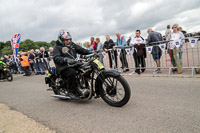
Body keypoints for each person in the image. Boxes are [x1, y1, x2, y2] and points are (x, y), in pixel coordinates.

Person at [53, 30, 92, 99]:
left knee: (86, 68)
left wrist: (91, 52)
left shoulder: (72, 44)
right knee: (71, 72)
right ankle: (71, 92)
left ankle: (87, 88)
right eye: (66, 40)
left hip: (73, 63)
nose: (68, 41)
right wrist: (66, 59)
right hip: (63, 66)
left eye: (69, 39)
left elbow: (81, 50)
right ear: (61, 39)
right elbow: (56, 58)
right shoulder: (57, 47)